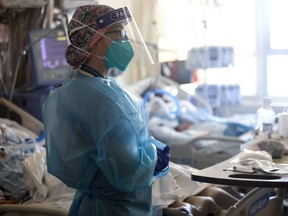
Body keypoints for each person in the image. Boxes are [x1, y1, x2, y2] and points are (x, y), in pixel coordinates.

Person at [43, 4, 170, 216]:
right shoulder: (101, 99)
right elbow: (127, 171)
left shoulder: (85, 87)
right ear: (94, 40)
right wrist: (154, 158)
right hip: (116, 208)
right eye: (119, 32)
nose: (125, 40)